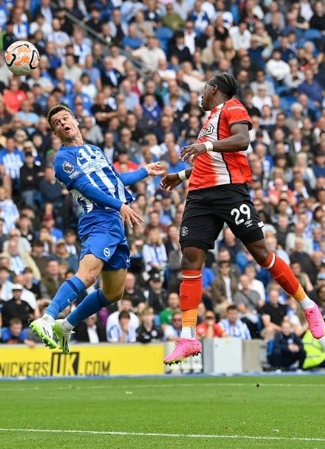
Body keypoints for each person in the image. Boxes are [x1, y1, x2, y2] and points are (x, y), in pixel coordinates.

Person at [160, 73, 325, 364]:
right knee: (190, 258)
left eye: (203, 90)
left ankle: (308, 305)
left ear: (214, 90)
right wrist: (182, 175)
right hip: (200, 196)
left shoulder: (232, 107)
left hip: (229, 193)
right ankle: (187, 336)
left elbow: (242, 140)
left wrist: (206, 147)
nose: (200, 95)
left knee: (261, 254)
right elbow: (209, 162)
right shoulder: (209, 121)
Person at [29, 104, 165, 351]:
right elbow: (88, 189)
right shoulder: (62, 160)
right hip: (98, 219)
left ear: (76, 120)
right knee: (89, 274)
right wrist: (119, 205)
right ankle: (47, 318)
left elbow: (115, 180)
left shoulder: (94, 150)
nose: (62, 124)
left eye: (65, 118)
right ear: (56, 133)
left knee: (114, 293)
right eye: (57, 123)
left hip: (115, 223)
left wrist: (144, 171)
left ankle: (66, 326)